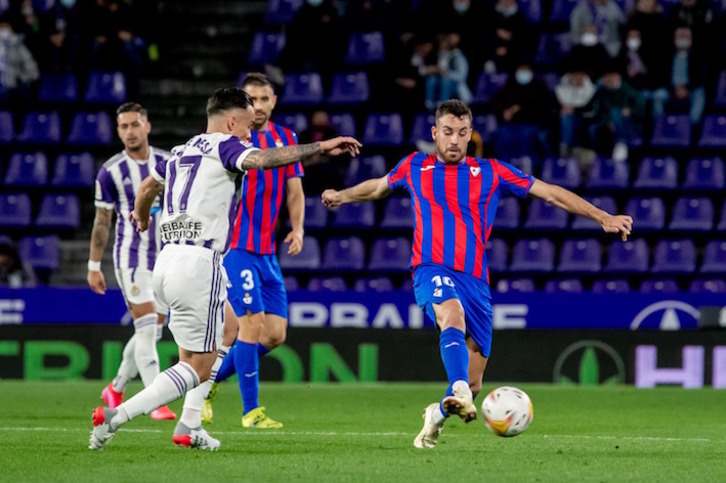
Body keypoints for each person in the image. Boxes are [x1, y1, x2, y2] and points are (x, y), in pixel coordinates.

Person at [321, 99, 632, 449]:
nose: (455, 140)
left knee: (474, 385)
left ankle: (437, 413)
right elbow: (377, 187)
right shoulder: (414, 166)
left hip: (476, 282)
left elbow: (551, 194)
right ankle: (455, 389)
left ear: (470, 136)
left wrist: (602, 216)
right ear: (435, 133)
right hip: (431, 268)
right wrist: (340, 196)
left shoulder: (491, 172)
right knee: (450, 316)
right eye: (448, 132)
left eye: (462, 133)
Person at [89, 86, 361, 451]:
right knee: (197, 367)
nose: (250, 134)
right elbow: (264, 160)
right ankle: (116, 416)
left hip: (166, 263)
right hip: (200, 264)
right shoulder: (226, 146)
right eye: (247, 125)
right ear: (231, 121)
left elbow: (146, 189)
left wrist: (140, 219)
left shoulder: (181, 151)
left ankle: (189, 426)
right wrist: (322, 147)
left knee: (229, 327)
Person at [201, 72, 306, 429]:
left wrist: (298, 227)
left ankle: (209, 380)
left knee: (274, 334)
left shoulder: (286, 139)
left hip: (267, 251)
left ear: (273, 101)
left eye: (264, 100)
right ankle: (251, 412)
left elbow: (294, 190)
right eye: (252, 100)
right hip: (237, 246)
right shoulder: (229, 143)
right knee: (250, 324)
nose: (258, 107)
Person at [88, 102, 176, 422]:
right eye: (123, 126)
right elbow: (102, 221)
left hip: (166, 257)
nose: (130, 131)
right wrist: (94, 265)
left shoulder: (169, 162)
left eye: (135, 124)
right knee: (148, 326)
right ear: (118, 131)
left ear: (147, 126)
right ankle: (156, 399)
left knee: (152, 330)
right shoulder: (110, 171)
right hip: (131, 257)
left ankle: (117, 386)